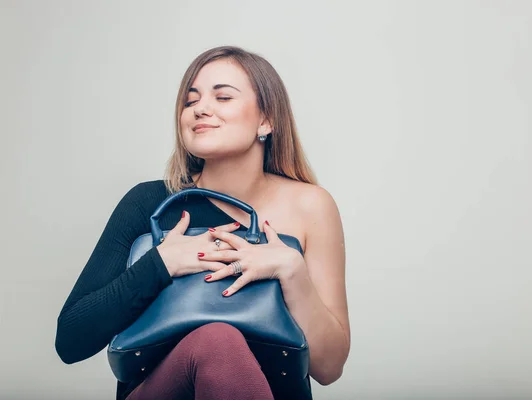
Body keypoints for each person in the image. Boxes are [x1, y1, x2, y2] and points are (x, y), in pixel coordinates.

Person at [55, 45, 350, 400]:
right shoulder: (150, 204)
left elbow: (329, 368)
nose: (200, 109)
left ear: (266, 120)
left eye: (222, 97)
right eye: (190, 100)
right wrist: (162, 263)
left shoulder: (311, 206)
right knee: (217, 341)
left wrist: (292, 270)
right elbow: (70, 341)